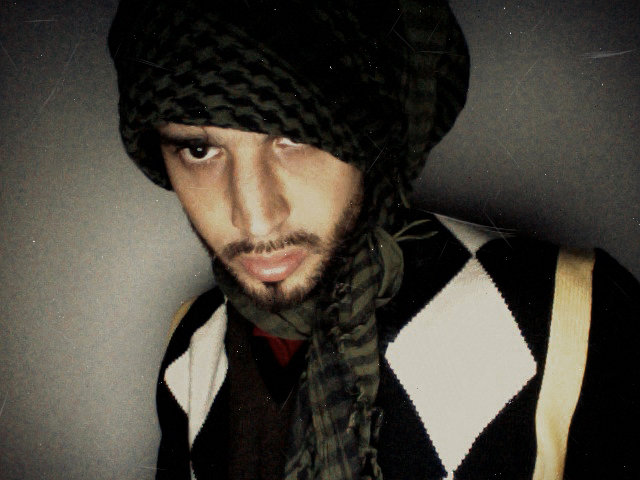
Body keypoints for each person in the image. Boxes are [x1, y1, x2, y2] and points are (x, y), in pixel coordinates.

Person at [108, 1, 640, 479]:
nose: (256, 219)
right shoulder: (194, 341)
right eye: (199, 150)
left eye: (296, 135)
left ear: (371, 132)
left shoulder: (570, 316)